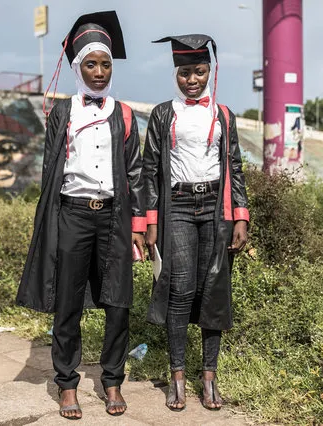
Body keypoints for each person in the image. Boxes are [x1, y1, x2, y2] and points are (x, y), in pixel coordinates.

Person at [16, 10, 146, 420]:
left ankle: (112, 381)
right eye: (91, 63)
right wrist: (52, 222)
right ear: (77, 67)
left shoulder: (124, 114)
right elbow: (49, 168)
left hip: (114, 219)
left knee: (118, 303)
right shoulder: (62, 112)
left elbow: (137, 172)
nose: (100, 71)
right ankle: (67, 384)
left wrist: (140, 226)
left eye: (106, 64)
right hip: (72, 215)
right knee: (67, 304)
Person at [142, 34, 250, 411]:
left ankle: (209, 377)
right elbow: (150, 169)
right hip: (179, 206)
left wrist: (241, 215)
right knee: (181, 288)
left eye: (199, 71)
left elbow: (234, 166)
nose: (192, 79)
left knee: (212, 289)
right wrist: (151, 221)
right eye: (185, 72)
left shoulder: (223, 115)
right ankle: (177, 376)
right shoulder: (162, 113)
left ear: (209, 71)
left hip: (215, 207)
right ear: (176, 74)